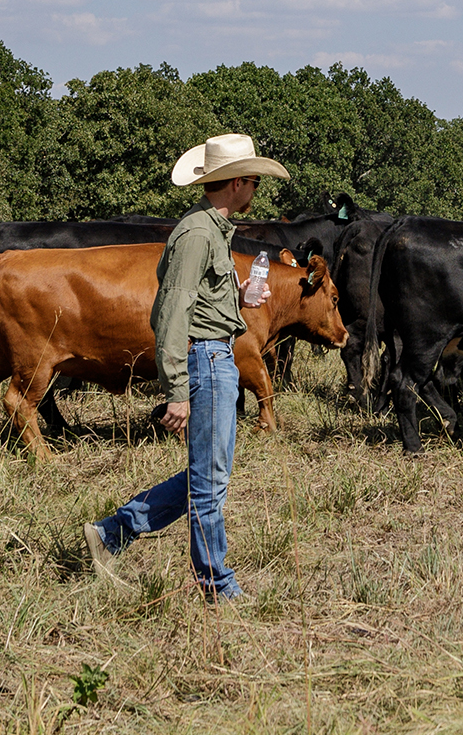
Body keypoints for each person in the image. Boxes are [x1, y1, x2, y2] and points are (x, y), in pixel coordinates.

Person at [82, 133, 288, 602]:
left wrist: (237, 298)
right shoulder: (198, 234)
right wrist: (175, 387)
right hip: (207, 359)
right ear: (237, 183)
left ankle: (114, 532)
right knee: (211, 481)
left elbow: (198, 299)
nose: (256, 189)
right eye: (254, 180)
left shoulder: (209, 228)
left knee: (208, 475)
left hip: (216, 354)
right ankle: (217, 585)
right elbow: (172, 311)